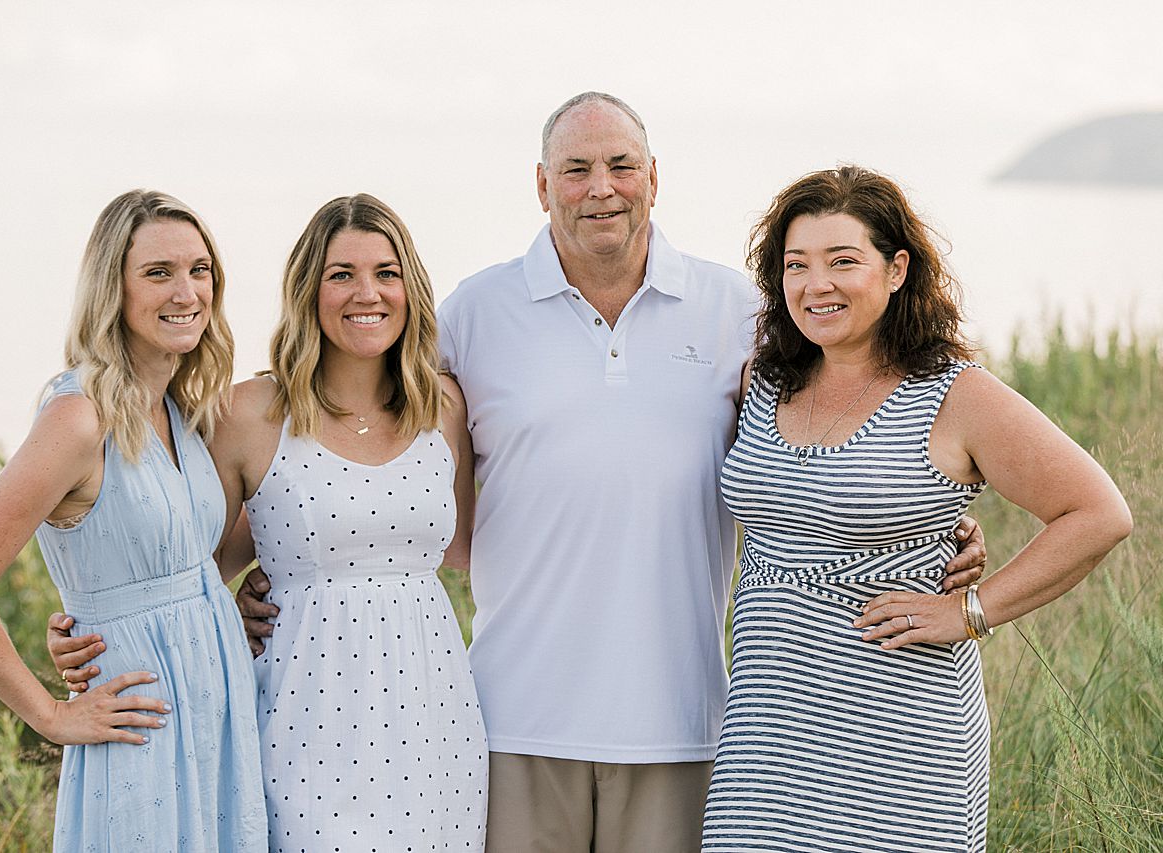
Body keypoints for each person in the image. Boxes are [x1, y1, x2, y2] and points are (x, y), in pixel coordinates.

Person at [238, 94, 985, 851]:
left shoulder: (737, 311)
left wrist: (925, 519)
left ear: (654, 177)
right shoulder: (474, 313)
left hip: (681, 724)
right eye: (576, 169)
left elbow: (821, 429)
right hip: (512, 722)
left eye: (622, 165)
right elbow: (376, 440)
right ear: (541, 185)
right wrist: (293, 567)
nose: (602, 187)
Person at [701, 165, 1132, 852]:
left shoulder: (954, 393)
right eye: (797, 264)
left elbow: (1098, 512)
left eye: (845, 261)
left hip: (902, 741)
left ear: (897, 268)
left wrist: (970, 610)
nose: (818, 285)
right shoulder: (762, 381)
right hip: (766, 737)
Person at [53, 194, 488, 851]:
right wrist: (91, 627)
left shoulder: (444, 403)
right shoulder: (248, 413)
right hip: (304, 719)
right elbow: (185, 569)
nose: (366, 292)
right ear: (309, 290)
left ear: (412, 288)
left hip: (435, 719)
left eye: (386, 273)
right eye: (341, 274)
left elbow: (461, 553)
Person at [0, 190, 267, 851]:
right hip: (140, 727)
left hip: (215, 720)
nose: (186, 290)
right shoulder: (78, 418)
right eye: (158, 272)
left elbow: (193, 559)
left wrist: (238, 592)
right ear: (114, 288)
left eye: (200, 270)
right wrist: (52, 714)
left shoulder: (183, 411)